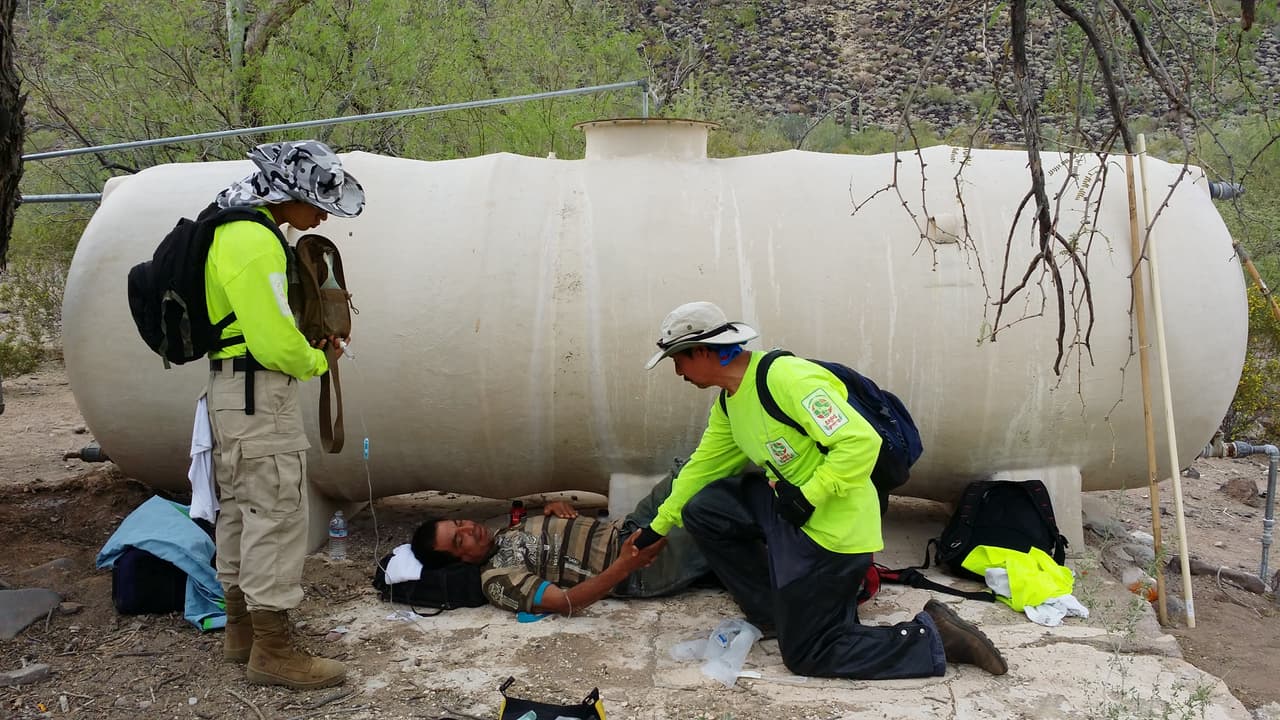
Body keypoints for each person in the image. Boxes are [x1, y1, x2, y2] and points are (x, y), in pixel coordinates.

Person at [632, 300, 1008, 680]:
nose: (677, 370)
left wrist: (810, 494)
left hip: (835, 526)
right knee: (705, 507)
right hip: (790, 509)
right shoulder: (730, 404)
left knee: (810, 654)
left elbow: (860, 441)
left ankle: (933, 636)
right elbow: (702, 467)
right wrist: (658, 527)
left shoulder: (787, 379)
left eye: (678, 359)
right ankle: (773, 612)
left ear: (702, 350)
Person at [206, 140, 364, 690]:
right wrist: (318, 358)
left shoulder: (231, 228)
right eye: (316, 201)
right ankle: (273, 651)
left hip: (233, 392)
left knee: (239, 508)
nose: (322, 214)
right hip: (259, 395)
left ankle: (241, 630)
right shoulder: (254, 240)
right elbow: (274, 343)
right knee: (274, 511)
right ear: (285, 192)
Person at [411, 473, 714, 617]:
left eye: (460, 523)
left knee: (690, 471)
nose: (469, 528)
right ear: (457, 560)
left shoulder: (501, 536)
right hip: (634, 564)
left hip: (627, 527)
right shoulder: (497, 579)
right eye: (459, 538)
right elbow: (565, 603)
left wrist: (559, 514)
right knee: (711, 520)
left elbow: (558, 550)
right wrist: (625, 565)